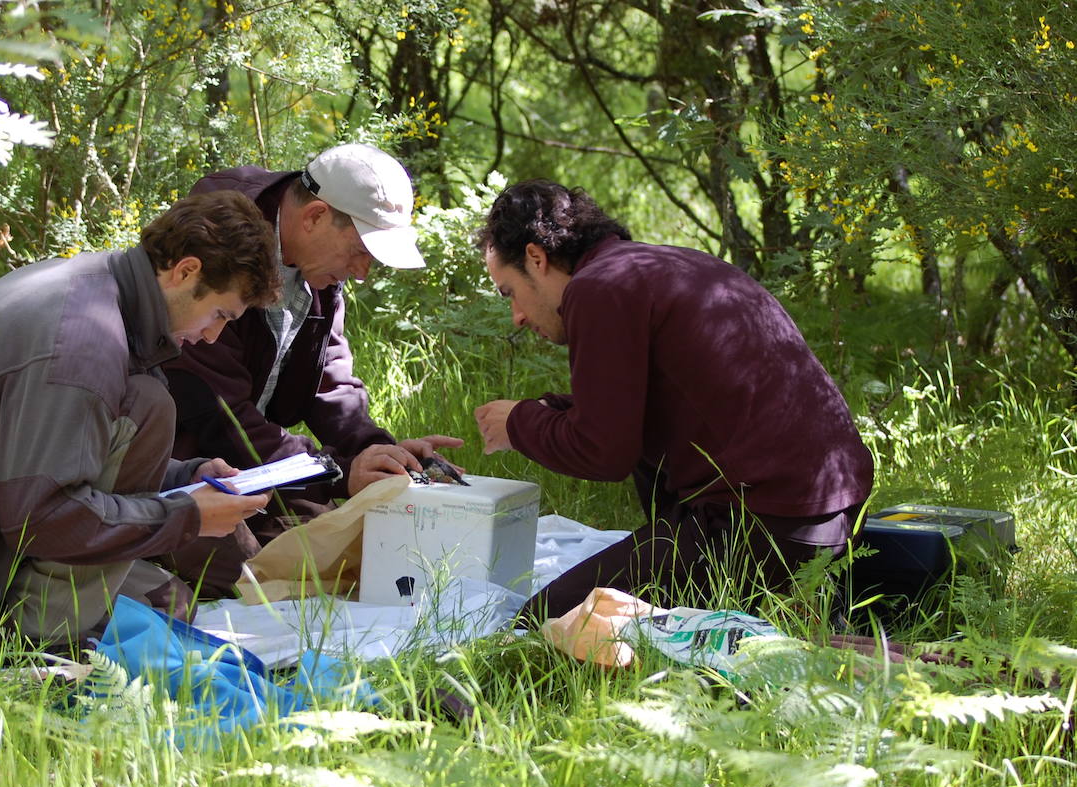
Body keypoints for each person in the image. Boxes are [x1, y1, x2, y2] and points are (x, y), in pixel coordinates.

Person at [0, 191, 279, 651]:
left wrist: (187, 477)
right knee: (149, 407)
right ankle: (31, 641)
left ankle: (52, 616)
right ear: (185, 272)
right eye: (219, 314)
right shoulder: (83, 341)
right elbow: (43, 517)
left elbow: (59, 450)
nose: (212, 335)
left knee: (169, 603)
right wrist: (186, 516)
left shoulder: (97, 287)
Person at [472, 179, 874, 620]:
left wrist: (520, 423)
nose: (517, 316)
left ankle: (753, 597)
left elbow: (603, 452)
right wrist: (554, 411)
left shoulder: (597, 288)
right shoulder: (658, 265)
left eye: (509, 292)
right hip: (833, 516)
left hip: (765, 526)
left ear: (536, 257)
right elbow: (642, 405)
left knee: (546, 621)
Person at [165, 143, 463, 550]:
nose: (361, 273)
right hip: (178, 459)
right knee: (249, 568)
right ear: (316, 216)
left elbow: (328, 378)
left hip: (253, 460)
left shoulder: (316, 263)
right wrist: (339, 472)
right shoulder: (219, 239)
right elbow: (219, 412)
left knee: (343, 546)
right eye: (360, 252)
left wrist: (380, 451)